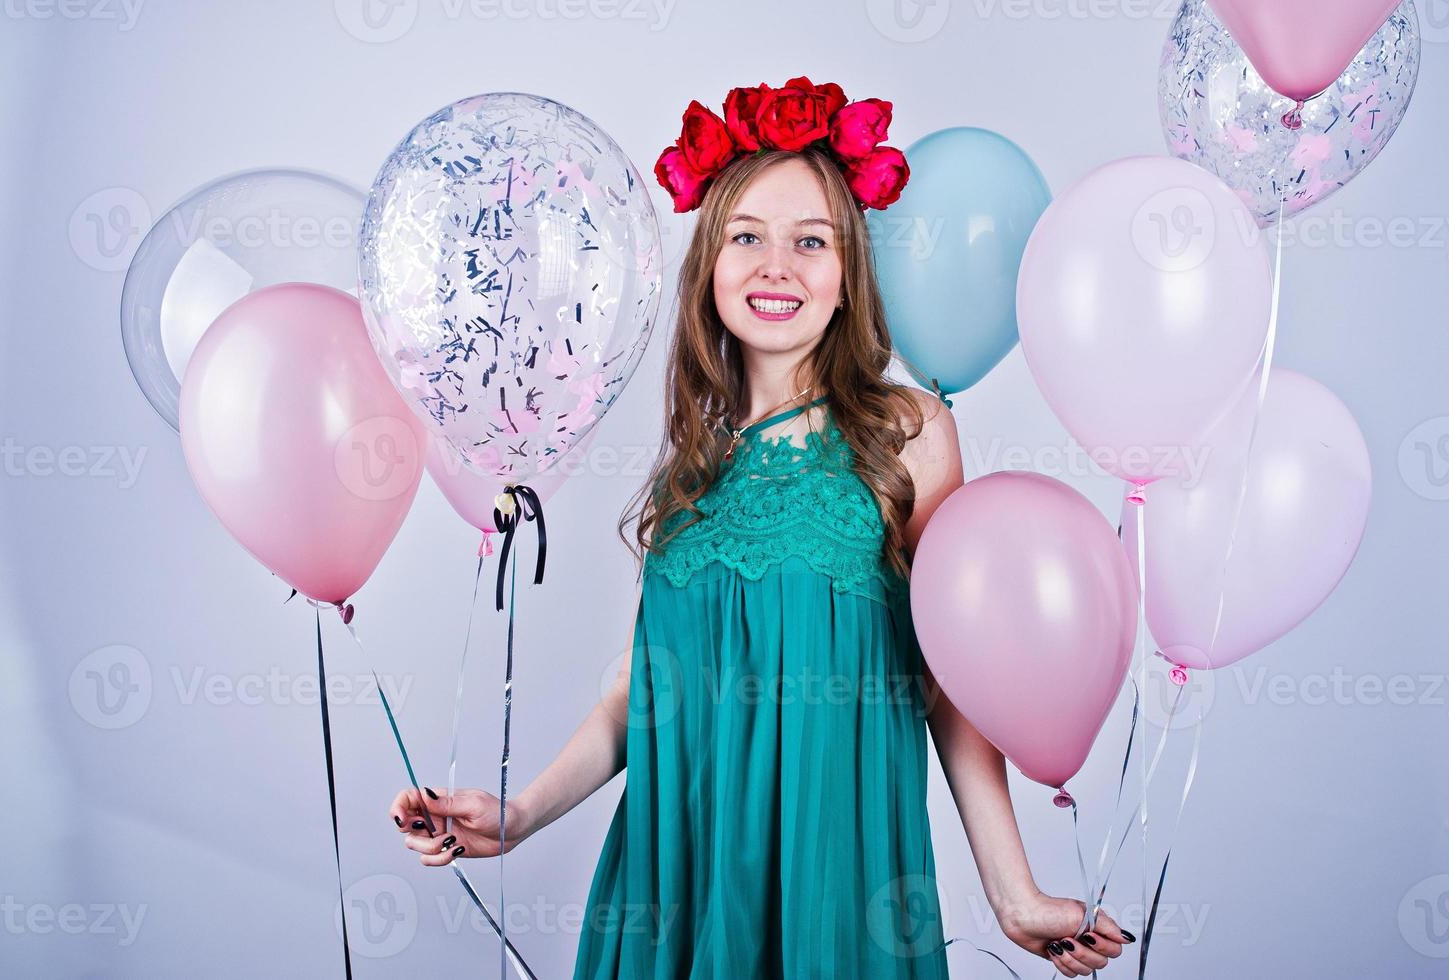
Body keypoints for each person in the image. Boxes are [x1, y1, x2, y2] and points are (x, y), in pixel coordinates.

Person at [389, 77, 1133, 978]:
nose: (775, 265)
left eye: (808, 242)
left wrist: (1013, 890)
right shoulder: (689, 472)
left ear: (846, 274)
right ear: (710, 262)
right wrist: (515, 816)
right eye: (747, 237)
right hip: (674, 879)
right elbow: (640, 698)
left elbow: (952, 682)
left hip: (834, 870)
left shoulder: (906, 434)